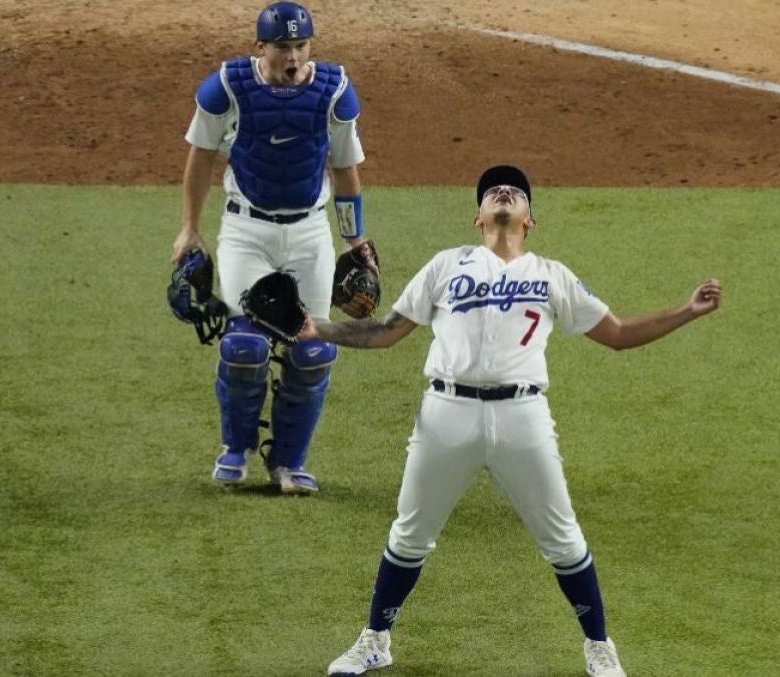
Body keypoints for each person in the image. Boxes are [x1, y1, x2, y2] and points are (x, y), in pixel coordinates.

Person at [302, 165, 723, 676]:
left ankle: (599, 646)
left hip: (523, 415)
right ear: (477, 217)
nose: (504, 194)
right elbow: (387, 330)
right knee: (409, 535)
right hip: (445, 413)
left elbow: (617, 333)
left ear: (530, 220)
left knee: (562, 539)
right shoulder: (444, 266)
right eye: (494, 193)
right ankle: (375, 639)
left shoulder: (552, 275)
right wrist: (315, 328)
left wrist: (687, 311)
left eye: (516, 193)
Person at [170, 2, 375, 495]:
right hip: (247, 232)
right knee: (244, 347)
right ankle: (235, 450)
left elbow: (346, 169)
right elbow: (199, 159)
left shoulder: (333, 94)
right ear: (260, 46)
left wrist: (355, 239)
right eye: (283, 46)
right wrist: (189, 229)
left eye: (301, 45)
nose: (293, 56)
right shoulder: (227, 88)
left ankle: (288, 463)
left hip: (309, 233)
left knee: (313, 350)